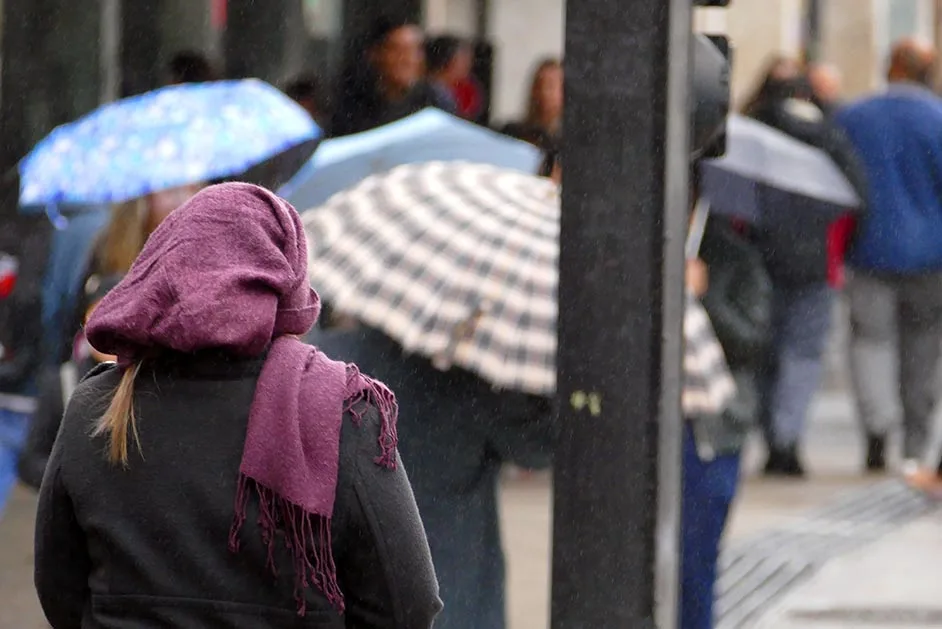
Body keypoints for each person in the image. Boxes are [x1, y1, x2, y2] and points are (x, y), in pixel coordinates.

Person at [34, 183, 442, 628]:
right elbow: (407, 604)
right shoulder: (344, 412)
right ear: (286, 276)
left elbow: (59, 585)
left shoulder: (98, 405)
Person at [310, 324, 554, 629]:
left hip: (356, 583)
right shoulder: (466, 382)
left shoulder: (334, 361)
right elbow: (538, 445)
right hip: (452, 586)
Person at [740, 55, 867, 477]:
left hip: (759, 258)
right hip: (817, 263)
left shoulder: (752, 131)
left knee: (762, 349)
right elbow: (858, 199)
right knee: (803, 354)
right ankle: (786, 437)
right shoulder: (828, 136)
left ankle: (771, 430)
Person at [834, 38, 942, 475]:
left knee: (869, 342)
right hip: (931, 255)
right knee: (924, 348)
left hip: (870, 248)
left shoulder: (855, 117)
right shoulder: (937, 118)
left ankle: (878, 427)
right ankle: (916, 440)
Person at [681, 204, 772, 629]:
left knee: (695, 563)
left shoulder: (735, 258)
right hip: (652, 432)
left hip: (711, 433)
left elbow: (752, 342)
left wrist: (703, 298)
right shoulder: (630, 250)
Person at [18, 273, 121, 490]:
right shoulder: (62, 383)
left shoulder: (149, 384)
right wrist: (72, 478)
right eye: (98, 312)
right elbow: (31, 461)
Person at [331, 17, 455, 137]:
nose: (408, 59)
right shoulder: (354, 103)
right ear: (376, 54)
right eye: (398, 50)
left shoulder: (435, 100)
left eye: (415, 50)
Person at [501, 58, 563, 164]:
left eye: (550, 86)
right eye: (539, 85)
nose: (544, 92)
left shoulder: (569, 142)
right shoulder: (516, 132)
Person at [426, 35, 481, 120]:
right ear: (448, 60)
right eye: (464, 60)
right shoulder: (429, 94)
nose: (469, 65)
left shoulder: (466, 89)